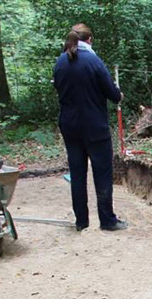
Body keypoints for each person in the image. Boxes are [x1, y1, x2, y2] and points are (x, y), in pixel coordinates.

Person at [53, 23, 128, 231]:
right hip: (95, 126)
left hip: (70, 127)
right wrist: (119, 94)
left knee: (77, 174)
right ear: (90, 40)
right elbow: (113, 94)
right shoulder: (93, 61)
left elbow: (59, 89)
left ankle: (82, 221)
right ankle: (107, 220)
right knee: (102, 173)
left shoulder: (60, 62)